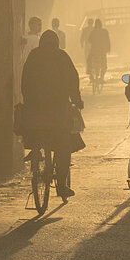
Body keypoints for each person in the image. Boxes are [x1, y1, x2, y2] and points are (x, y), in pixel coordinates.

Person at [20, 28, 83, 199]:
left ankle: (34, 148)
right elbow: (73, 80)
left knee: (32, 130)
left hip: (35, 112)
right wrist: (77, 101)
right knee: (64, 147)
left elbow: (24, 80)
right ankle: (61, 185)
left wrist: (29, 101)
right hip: (58, 113)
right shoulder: (62, 57)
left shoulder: (34, 56)